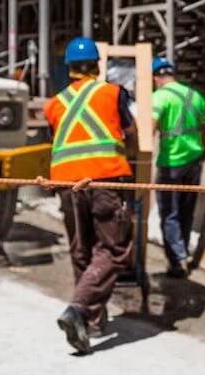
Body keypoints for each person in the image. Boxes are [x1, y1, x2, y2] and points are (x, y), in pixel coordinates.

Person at [44, 36, 138, 355]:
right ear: (98, 66)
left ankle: (92, 321)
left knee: (81, 249)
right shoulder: (113, 93)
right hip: (104, 178)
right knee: (115, 249)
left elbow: (56, 141)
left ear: (69, 68)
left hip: (67, 184)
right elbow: (131, 131)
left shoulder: (54, 104)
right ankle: (79, 309)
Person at [150, 57, 205, 277]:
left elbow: (150, 127)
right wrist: (202, 149)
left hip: (171, 163)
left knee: (169, 213)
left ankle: (177, 261)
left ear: (156, 78)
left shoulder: (159, 97)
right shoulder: (195, 96)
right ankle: (183, 251)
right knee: (186, 210)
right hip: (194, 162)